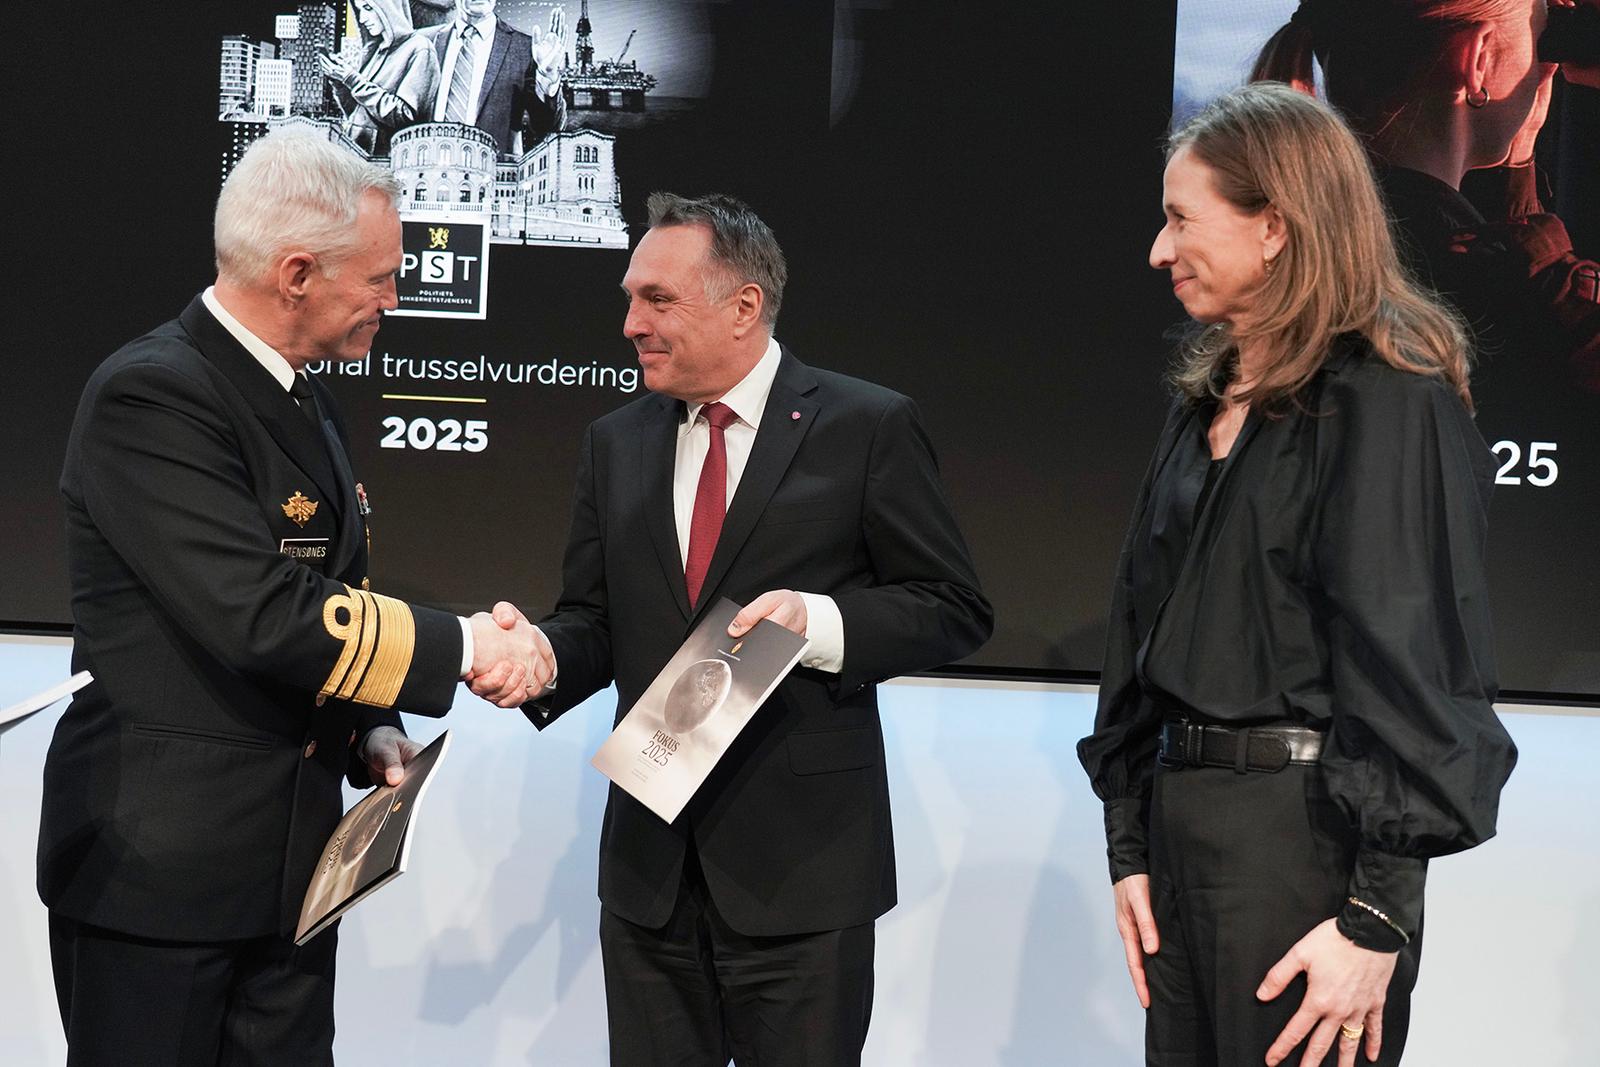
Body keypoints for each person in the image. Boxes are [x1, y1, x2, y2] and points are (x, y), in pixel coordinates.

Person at [37, 129, 547, 1066]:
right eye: (381, 278)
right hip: (159, 885)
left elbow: (333, 590)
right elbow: (262, 613)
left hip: (292, 883)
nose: (396, 300)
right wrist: (470, 646)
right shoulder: (150, 395)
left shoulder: (305, 395)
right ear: (298, 274)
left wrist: (369, 727)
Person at [495, 192, 992, 1065]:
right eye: (630, 299)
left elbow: (954, 606)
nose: (631, 324)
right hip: (650, 880)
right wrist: (540, 653)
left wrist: (819, 621)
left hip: (804, 877)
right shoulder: (616, 441)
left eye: (657, 299)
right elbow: (595, 620)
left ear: (744, 306)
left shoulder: (865, 425)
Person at [1077, 83, 1517, 1067]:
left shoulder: (1383, 395)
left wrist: (1377, 916)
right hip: (1181, 829)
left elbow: (1412, 656)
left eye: (1181, 218)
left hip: (1304, 845)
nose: (1158, 250)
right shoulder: (1204, 399)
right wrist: (1131, 842)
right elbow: (1139, 626)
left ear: (1273, 226)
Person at [1251, 0, 1600, 693]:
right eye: (1540, 43)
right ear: (1478, 61)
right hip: (1488, 674)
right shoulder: (1523, 290)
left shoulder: (1286, 244)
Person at [420, 0, 567, 156]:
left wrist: (547, 76)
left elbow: (546, 129)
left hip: (495, 167)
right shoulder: (422, 42)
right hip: (426, 165)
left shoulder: (525, 48)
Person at [321, 0, 441, 156]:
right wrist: (340, 83)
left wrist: (352, 80)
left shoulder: (420, 48)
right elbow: (356, 113)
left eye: (368, 8)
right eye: (359, 10)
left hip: (389, 159)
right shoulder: (375, 50)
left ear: (389, 8)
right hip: (358, 155)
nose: (362, 18)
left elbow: (405, 116)